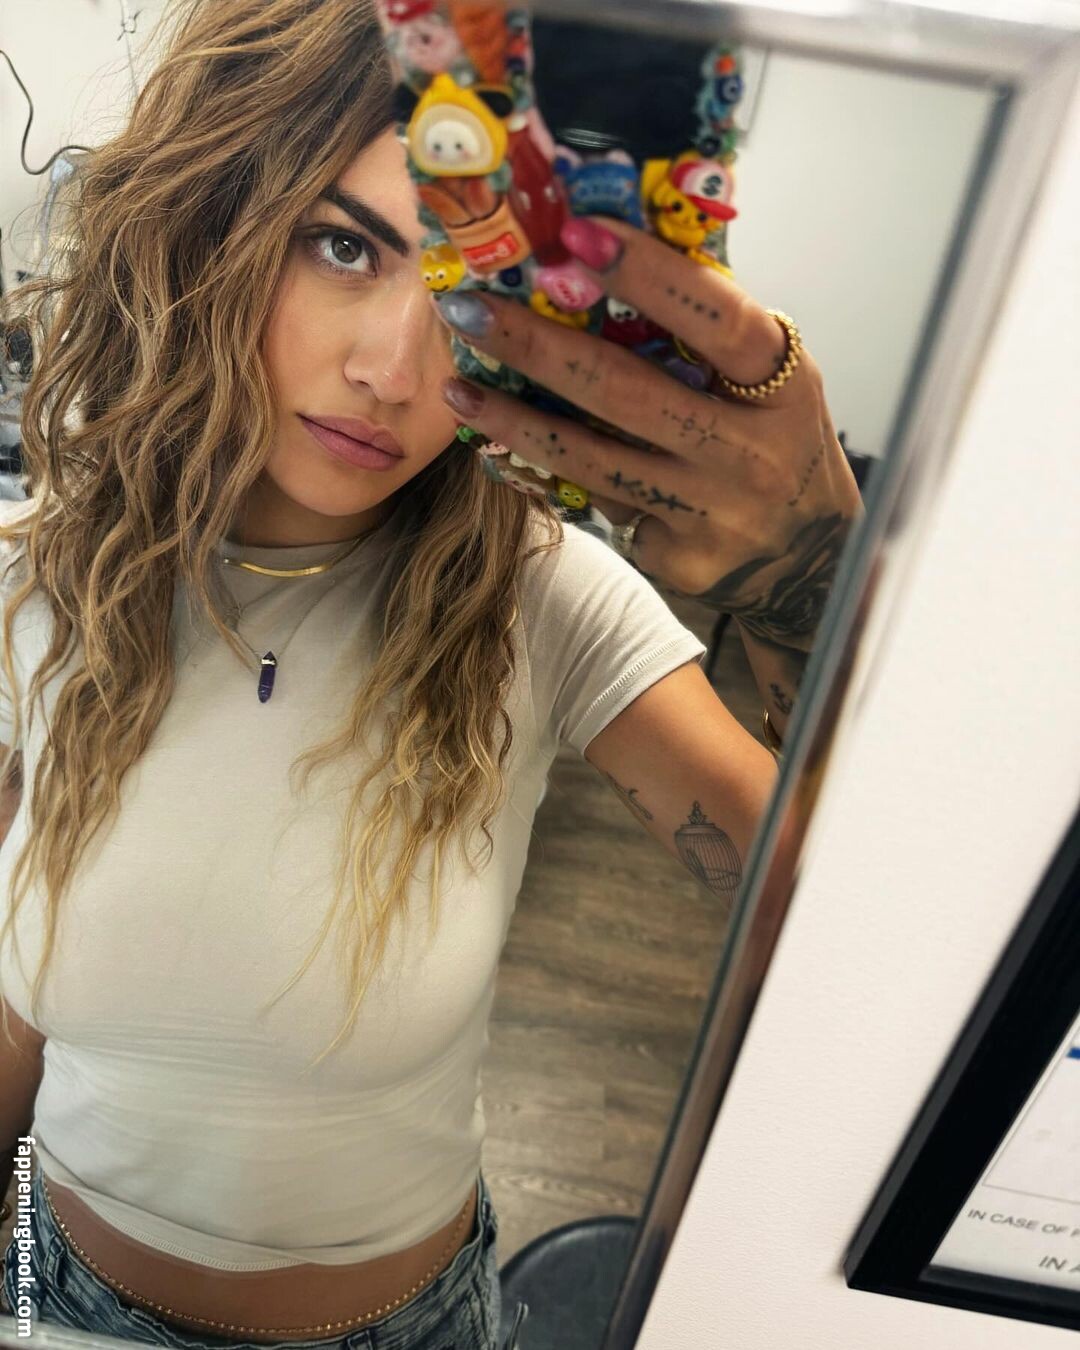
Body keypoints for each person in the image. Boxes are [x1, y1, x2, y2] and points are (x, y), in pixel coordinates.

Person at [0, 1, 863, 1347]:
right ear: (217, 221)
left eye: (473, 291)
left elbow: (854, 935)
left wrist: (811, 577)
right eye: (344, 245)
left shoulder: (545, 599)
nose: (395, 371)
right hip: (51, 1292)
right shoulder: (40, 583)